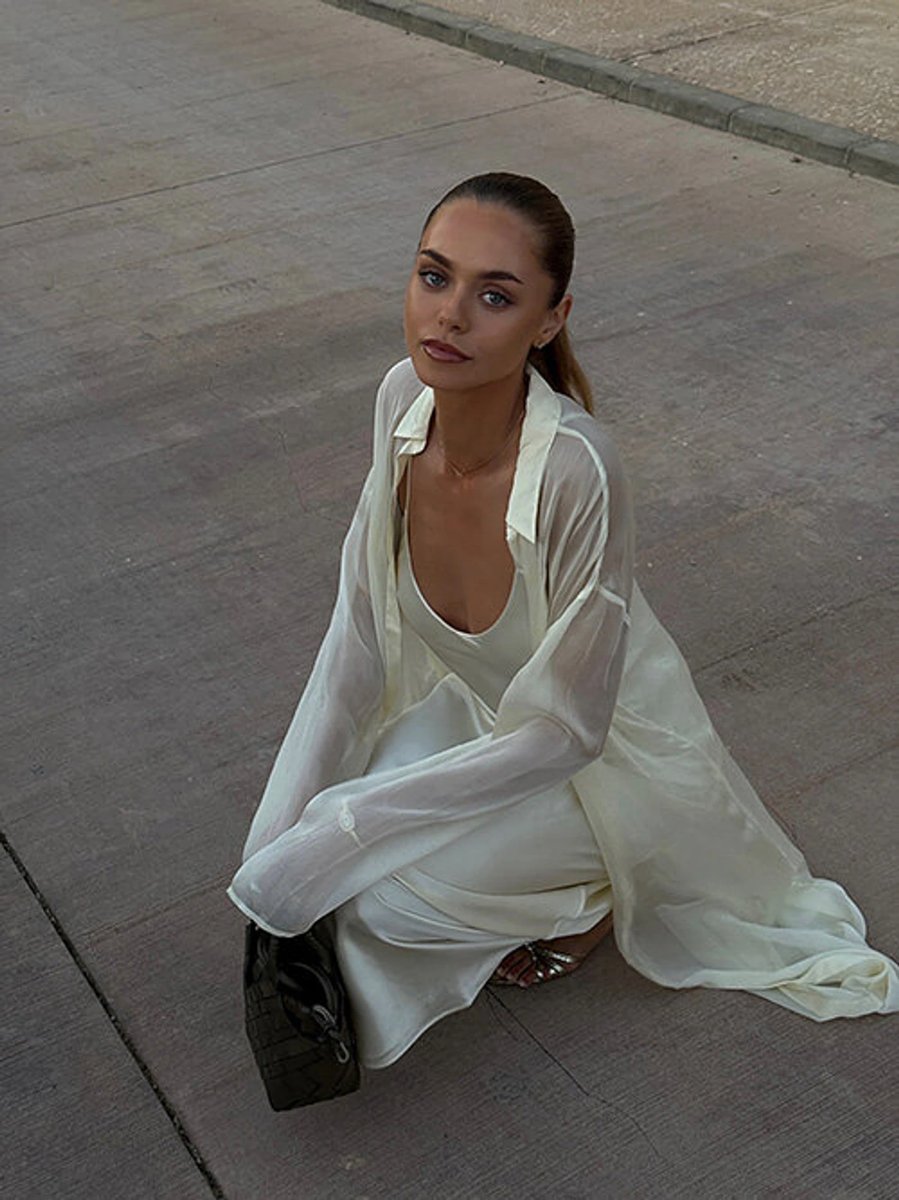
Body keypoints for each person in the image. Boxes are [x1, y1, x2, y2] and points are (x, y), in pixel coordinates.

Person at [227, 172, 898, 1071]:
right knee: (322, 850)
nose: (449, 316)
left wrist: (346, 825)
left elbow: (569, 733)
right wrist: (276, 841)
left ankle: (591, 897)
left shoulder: (577, 468)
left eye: (494, 296)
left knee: (384, 899)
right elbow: (354, 643)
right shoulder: (399, 403)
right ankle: (438, 863)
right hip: (479, 723)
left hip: (602, 764)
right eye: (434, 276)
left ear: (549, 320)